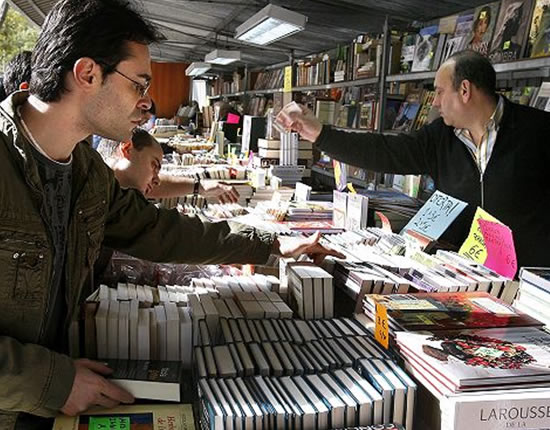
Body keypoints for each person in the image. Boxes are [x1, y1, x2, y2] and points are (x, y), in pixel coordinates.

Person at [0, 0, 343, 428]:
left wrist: (271, 243)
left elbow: (159, 230)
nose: (146, 104)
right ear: (88, 74)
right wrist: (52, 381)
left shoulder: (86, 172)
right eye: (137, 85)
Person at [278, 49, 550, 270]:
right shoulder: (440, 138)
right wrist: (320, 134)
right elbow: (383, 151)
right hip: (464, 276)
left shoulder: (539, 131)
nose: (434, 102)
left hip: (531, 283)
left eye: (440, 91)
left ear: (464, 90)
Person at [113, 128, 240, 203]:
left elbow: (154, 187)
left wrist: (200, 187)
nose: (156, 180)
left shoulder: (117, 187)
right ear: (127, 148)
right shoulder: (100, 192)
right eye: (154, 166)